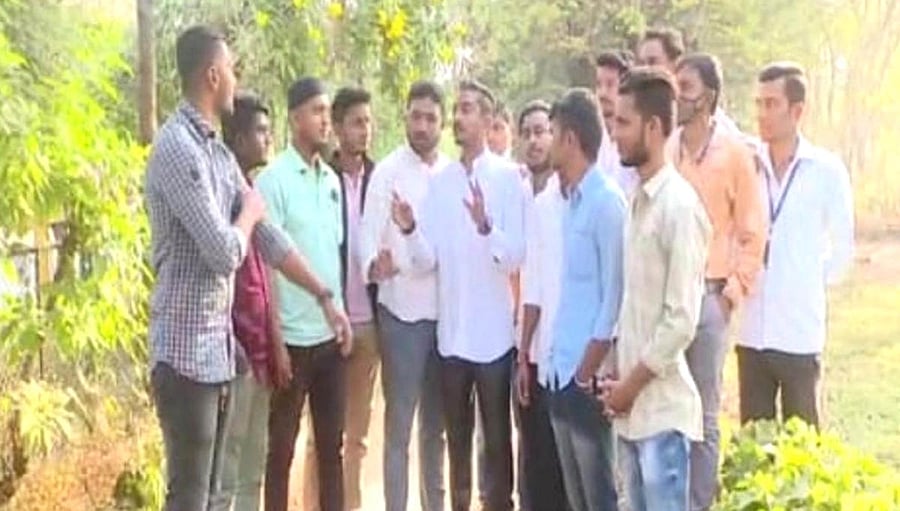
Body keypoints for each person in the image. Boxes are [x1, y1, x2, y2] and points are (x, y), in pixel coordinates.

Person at [145, 26, 349, 511]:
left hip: (217, 352)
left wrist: (324, 296)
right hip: (184, 353)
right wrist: (250, 213)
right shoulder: (177, 148)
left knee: (216, 493)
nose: (236, 80)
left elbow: (270, 239)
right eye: (232, 69)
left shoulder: (216, 152)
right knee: (190, 496)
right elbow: (223, 251)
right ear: (213, 75)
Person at [391, 80, 526, 511]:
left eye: (468, 109)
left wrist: (486, 226)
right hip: (452, 338)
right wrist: (410, 229)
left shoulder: (508, 179)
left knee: (498, 442)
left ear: (488, 119)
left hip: (494, 338)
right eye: (458, 109)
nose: (458, 118)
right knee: (457, 442)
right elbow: (427, 259)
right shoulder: (442, 182)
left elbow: (515, 257)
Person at [600, 66, 711, 511]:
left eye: (624, 123)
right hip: (630, 417)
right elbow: (634, 307)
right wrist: (617, 380)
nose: (615, 134)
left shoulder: (679, 208)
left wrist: (629, 386)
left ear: (653, 127)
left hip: (662, 417)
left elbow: (681, 319)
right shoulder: (636, 202)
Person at [669, 53, 767, 511]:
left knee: (704, 414)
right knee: (669, 410)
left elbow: (753, 230)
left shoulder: (734, 155)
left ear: (706, 97)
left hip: (710, 299)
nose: (677, 96)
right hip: (670, 299)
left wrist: (733, 291)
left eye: (685, 88)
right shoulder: (667, 150)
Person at [737, 62, 854, 428]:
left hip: (799, 331)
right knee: (754, 442)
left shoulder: (825, 170)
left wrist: (806, 280)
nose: (762, 114)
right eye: (758, 103)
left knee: (802, 442)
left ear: (797, 110)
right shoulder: (747, 164)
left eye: (772, 104)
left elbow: (843, 248)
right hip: (752, 328)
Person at [257, 77, 352, 511]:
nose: (325, 120)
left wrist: (341, 316)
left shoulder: (331, 180)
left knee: (331, 450)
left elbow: (332, 255)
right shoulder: (272, 181)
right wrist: (275, 339)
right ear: (295, 118)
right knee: (280, 452)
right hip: (291, 342)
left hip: (330, 340)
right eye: (317, 111)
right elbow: (268, 264)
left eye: (327, 111)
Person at [359, 80, 450, 511]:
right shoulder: (388, 172)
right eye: (416, 116)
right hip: (400, 316)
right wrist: (373, 265)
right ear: (405, 119)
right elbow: (367, 233)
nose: (422, 125)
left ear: (442, 123)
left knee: (436, 429)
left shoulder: (451, 175)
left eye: (431, 118)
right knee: (399, 427)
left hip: (445, 319)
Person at [540, 89, 625, 511]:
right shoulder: (571, 203)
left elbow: (615, 294)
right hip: (560, 372)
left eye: (552, 133)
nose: (547, 142)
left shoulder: (607, 203)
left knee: (599, 495)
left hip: (586, 375)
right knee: (576, 500)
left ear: (570, 139)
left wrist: (587, 369)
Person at [303, 86, 380, 511]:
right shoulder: (321, 178)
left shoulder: (380, 180)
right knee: (321, 437)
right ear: (336, 127)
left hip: (368, 322)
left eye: (368, 122)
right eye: (356, 122)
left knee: (357, 439)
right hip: (328, 323)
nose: (364, 131)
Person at [219, 92, 285, 511]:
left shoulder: (253, 194)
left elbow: (267, 268)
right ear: (239, 139)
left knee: (252, 467)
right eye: (260, 131)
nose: (267, 138)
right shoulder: (223, 194)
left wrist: (274, 342)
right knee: (226, 469)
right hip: (233, 353)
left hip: (260, 351)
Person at [515, 99, 570, 511]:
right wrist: (522, 355)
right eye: (527, 133)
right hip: (532, 352)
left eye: (542, 132)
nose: (534, 141)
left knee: (567, 465)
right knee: (534, 457)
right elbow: (531, 288)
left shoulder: (578, 199)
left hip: (571, 357)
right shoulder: (528, 199)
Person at [637, 28, 741, 136]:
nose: (644, 70)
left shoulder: (712, 122)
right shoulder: (641, 115)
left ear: (676, 63)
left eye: (652, 62)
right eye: (641, 63)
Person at [595, 50, 639, 196]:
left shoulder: (637, 141)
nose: (602, 93)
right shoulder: (591, 140)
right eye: (598, 85)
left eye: (610, 85)